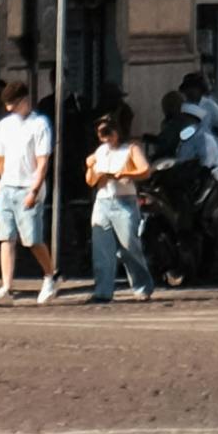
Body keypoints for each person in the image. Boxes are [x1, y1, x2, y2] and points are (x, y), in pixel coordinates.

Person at [0, 85, 59, 305]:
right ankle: (7, 285)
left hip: (29, 185)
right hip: (8, 186)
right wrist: (2, 183)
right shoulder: (4, 125)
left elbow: (43, 161)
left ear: (25, 100)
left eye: (15, 104)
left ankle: (50, 275)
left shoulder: (40, 124)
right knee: (6, 237)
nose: (11, 109)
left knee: (32, 239)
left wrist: (34, 190)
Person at [83, 99, 152, 306]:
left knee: (129, 246)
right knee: (102, 248)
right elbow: (90, 180)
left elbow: (145, 170)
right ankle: (103, 290)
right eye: (103, 137)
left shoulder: (131, 148)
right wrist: (94, 171)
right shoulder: (100, 152)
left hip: (124, 201)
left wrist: (126, 172)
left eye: (109, 135)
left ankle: (141, 286)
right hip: (103, 201)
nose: (107, 141)